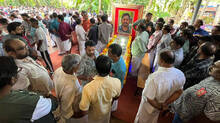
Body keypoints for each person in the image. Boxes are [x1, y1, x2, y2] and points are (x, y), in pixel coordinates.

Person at [0, 56, 58, 123]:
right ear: (12, 79)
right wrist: (49, 97)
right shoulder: (28, 103)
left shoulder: (10, 95)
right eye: (18, 70)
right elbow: (52, 105)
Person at [135, 50, 185, 123]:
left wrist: (160, 107)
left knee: (143, 120)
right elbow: (179, 92)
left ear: (162, 61)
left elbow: (149, 98)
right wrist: (165, 103)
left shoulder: (154, 78)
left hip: (149, 107)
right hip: (162, 102)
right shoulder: (180, 74)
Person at [79, 55, 121, 123]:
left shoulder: (88, 88)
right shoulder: (117, 82)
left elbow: (84, 110)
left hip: (93, 117)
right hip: (107, 114)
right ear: (110, 69)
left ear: (96, 69)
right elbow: (116, 98)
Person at [53, 54, 84, 123]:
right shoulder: (71, 86)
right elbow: (67, 106)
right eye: (79, 64)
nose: (80, 66)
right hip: (70, 112)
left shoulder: (59, 70)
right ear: (73, 68)